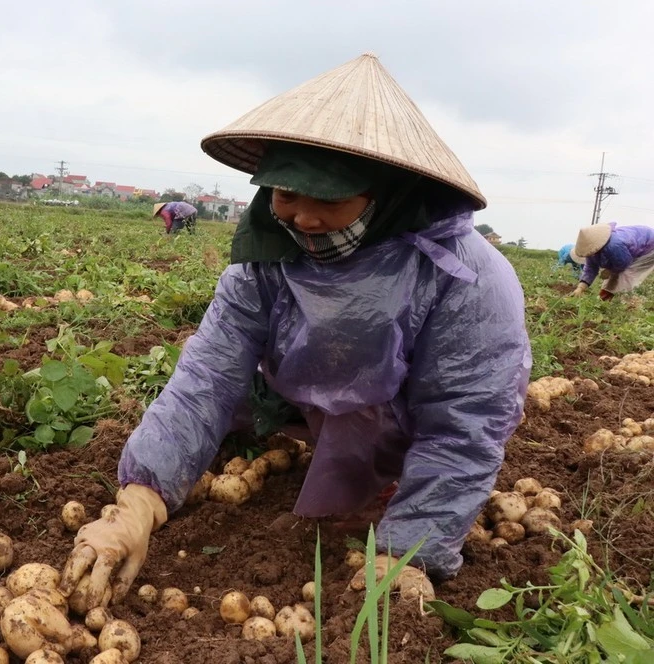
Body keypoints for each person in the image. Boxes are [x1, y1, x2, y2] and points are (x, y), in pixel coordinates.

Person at [59, 52, 531, 610]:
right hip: (289, 393)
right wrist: (137, 503)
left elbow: (464, 422)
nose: (303, 219)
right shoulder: (264, 257)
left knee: (396, 444)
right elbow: (209, 373)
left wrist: (408, 551)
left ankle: (385, 483)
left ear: (387, 192)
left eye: (328, 199)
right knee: (221, 406)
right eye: (286, 195)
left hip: (404, 416)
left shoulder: (466, 278)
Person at [570, 223, 654, 301]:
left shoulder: (614, 245)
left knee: (626, 274)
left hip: (650, 245)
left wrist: (609, 270)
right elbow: (590, 268)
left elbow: (623, 263)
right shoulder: (591, 250)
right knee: (615, 276)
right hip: (634, 247)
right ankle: (605, 299)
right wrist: (580, 287)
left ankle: (625, 302)